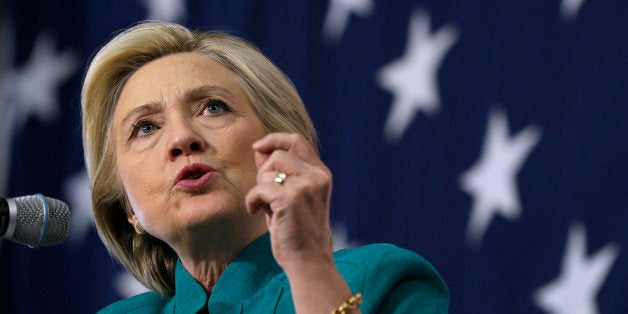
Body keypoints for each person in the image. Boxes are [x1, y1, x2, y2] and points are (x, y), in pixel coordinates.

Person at [82, 21, 449, 313]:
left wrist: (309, 267)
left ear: (280, 148)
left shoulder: (380, 279)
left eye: (213, 107)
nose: (182, 138)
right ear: (127, 208)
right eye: (145, 127)